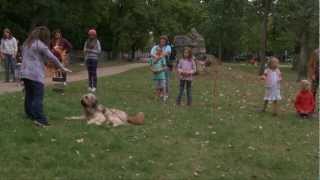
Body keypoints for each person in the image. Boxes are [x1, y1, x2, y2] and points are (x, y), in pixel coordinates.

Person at [21, 26, 71, 127]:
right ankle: (40, 119)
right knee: (37, 97)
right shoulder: (40, 45)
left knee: (29, 95)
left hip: (24, 73)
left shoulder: (26, 43)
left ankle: (30, 114)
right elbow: (52, 57)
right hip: (35, 74)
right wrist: (62, 67)